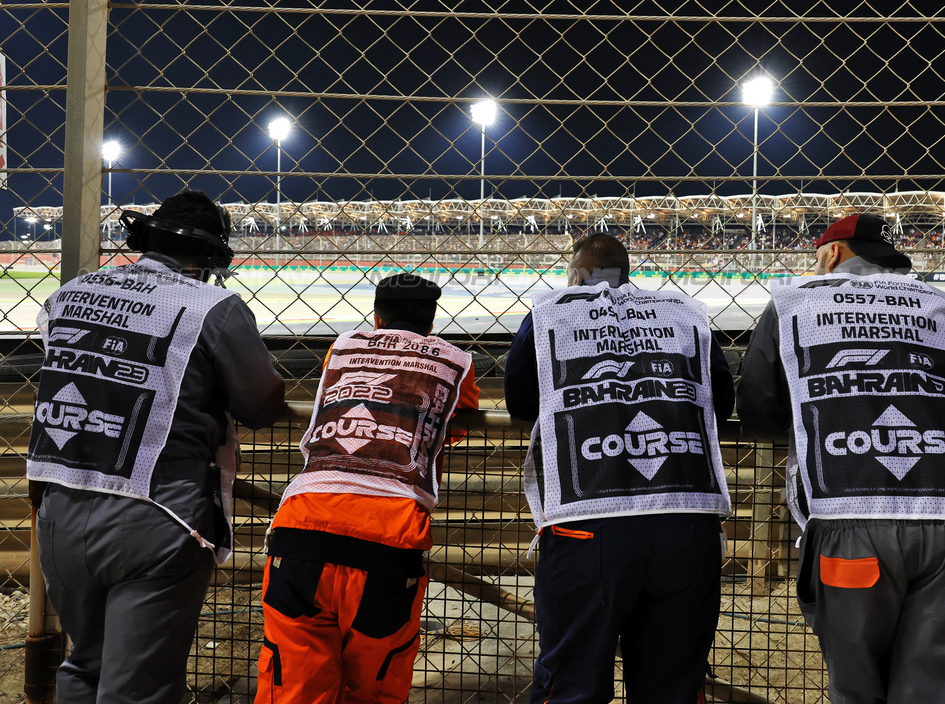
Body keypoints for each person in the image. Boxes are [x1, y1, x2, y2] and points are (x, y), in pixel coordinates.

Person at [28, 190, 295, 704]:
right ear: (207, 257)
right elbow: (261, 403)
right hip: (157, 510)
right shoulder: (211, 306)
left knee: (84, 666)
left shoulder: (70, 293)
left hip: (59, 504)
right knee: (139, 688)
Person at [737, 213, 945, 704]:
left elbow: (757, 410)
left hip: (849, 509)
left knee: (858, 687)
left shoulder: (796, 302)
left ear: (833, 253)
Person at [504, 232, 735, 704]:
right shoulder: (685, 314)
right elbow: (722, 401)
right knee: (671, 686)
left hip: (588, 519)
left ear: (575, 273)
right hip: (686, 519)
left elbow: (520, 400)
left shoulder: (550, 311)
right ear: (628, 273)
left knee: (572, 684)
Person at [254, 272, 479, 703]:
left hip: (302, 527)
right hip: (388, 541)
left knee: (291, 684)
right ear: (432, 323)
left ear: (376, 316)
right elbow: (453, 419)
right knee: (374, 687)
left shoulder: (344, 346)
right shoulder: (456, 361)